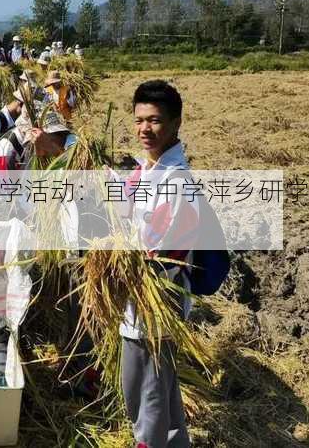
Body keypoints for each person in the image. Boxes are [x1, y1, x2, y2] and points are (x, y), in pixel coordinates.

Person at [116, 80, 197, 448]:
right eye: (139, 120)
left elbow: (163, 251)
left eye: (155, 121)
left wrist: (113, 259)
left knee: (143, 390)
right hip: (142, 296)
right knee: (160, 384)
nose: (144, 129)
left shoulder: (175, 180)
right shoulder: (149, 168)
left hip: (155, 299)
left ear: (176, 123)